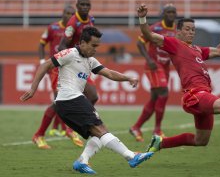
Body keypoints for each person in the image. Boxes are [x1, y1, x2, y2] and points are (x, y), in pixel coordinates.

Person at [20, 26, 154, 174]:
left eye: (98, 46)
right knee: (101, 130)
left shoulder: (90, 60)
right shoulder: (70, 53)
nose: (95, 49)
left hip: (68, 104)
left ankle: (82, 161)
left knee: (98, 134)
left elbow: (109, 73)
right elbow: (46, 64)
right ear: (82, 42)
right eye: (93, 45)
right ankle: (131, 156)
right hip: (70, 99)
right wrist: (33, 88)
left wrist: (128, 77)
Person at [136, 4, 220, 153]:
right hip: (194, 94)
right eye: (187, 29)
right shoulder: (174, 44)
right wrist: (142, 17)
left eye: (193, 30)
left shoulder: (197, 50)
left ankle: (160, 143)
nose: (191, 32)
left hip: (203, 95)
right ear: (178, 32)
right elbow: (149, 35)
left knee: (201, 140)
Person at [32, 5, 84, 149]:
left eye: (72, 14)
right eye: (67, 13)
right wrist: (43, 62)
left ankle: (66, 129)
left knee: (70, 99)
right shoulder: (53, 27)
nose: (69, 16)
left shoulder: (75, 29)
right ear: (62, 14)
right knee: (59, 100)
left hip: (70, 67)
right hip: (55, 67)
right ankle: (41, 134)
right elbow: (41, 44)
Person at [129, 4, 177, 142]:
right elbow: (140, 43)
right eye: (168, 12)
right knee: (164, 93)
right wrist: (148, 59)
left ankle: (136, 127)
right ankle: (157, 130)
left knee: (155, 98)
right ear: (163, 14)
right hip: (154, 65)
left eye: (173, 12)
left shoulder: (176, 30)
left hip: (166, 66)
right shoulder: (155, 28)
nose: (171, 14)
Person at [58, 0, 98, 105]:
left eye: (87, 5)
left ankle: (82, 119)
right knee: (90, 96)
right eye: (82, 4)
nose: (85, 7)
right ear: (77, 6)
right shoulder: (72, 23)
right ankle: (84, 119)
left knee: (92, 97)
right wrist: (72, 62)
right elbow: (61, 46)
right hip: (73, 64)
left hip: (84, 62)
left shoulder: (91, 20)